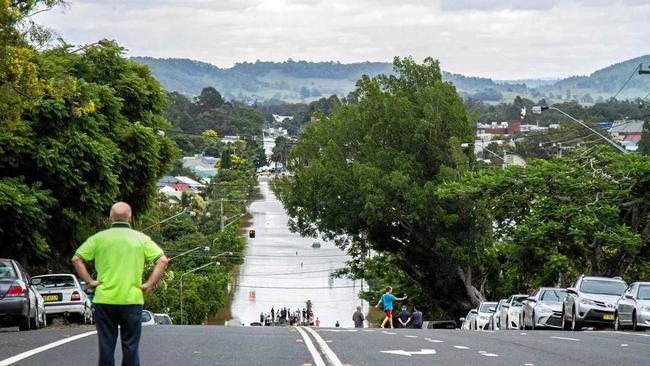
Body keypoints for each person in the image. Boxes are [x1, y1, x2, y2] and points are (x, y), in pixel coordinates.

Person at [72, 202, 168, 366]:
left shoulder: (98, 238)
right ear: (130, 218)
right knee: (131, 346)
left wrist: (90, 281)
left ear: (110, 217)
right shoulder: (141, 239)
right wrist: (149, 284)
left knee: (106, 346)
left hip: (104, 299)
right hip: (131, 299)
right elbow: (163, 260)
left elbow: (76, 258)